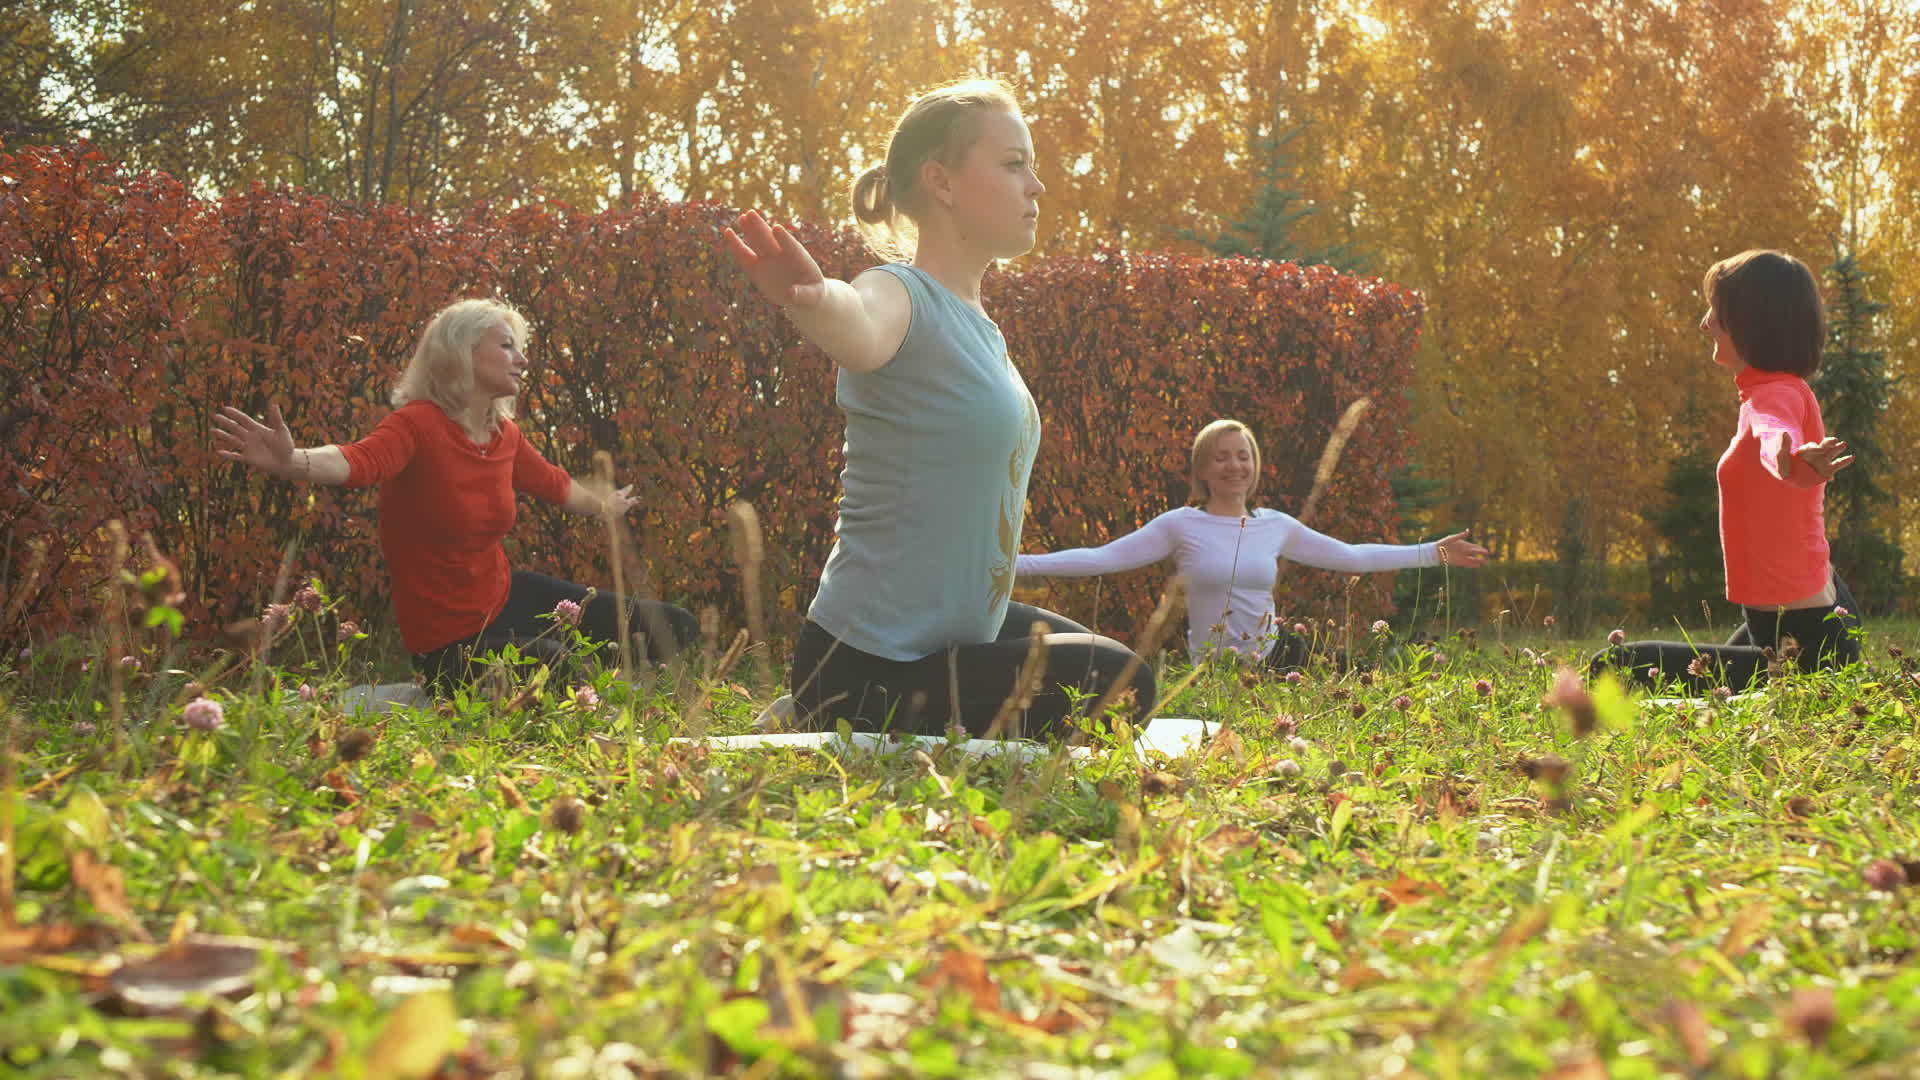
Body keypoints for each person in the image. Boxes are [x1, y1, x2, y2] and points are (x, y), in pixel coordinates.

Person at [722, 78, 1154, 739]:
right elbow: (860, 324)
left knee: (1115, 667)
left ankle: (813, 708)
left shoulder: (978, 322)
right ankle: (826, 703)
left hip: (955, 635)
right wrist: (811, 300)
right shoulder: (900, 292)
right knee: (1122, 683)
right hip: (872, 660)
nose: (1036, 186)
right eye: (1014, 164)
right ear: (942, 183)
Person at [213, 298, 697, 691]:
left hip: (506, 595)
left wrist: (606, 504)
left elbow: (556, 484)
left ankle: (620, 702)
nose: (523, 359)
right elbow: (357, 461)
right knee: (555, 666)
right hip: (449, 643)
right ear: (463, 353)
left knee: (673, 626)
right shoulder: (417, 424)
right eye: (507, 346)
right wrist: (290, 459)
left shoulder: (503, 434)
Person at [1594, 250, 1861, 693]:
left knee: (1613, 666)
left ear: (1750, 322)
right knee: (1713, 678)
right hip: (1804, 622)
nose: (1705, 323)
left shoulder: (1773, 396)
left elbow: (1774, 430)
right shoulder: (1777, 390)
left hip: (1806, 640)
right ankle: (1772, 685)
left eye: (1716, 312)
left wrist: (1784, 456)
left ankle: (1795, 685)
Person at [1016, 419, 1489, 667]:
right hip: (1213, 673)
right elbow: (1103, 558)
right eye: (1221, 458)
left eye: (1243, 456)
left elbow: (1350, 557)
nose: (1234, 466)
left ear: (1254, 465)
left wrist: (1433, 552)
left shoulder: (1275, 526)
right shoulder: (1179, 525)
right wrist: (1016, 565)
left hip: (1278, 661)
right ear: (1203, 470)